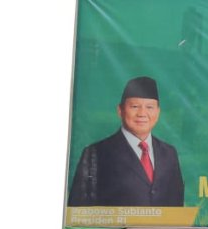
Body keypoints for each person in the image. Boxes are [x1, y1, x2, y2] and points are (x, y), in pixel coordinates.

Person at [67, 76, 184, 207]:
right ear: (120, 110)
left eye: (150, 107)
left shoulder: (169, 154)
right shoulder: (96, 153)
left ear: (158, 112)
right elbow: (78, 208)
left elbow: (177, 205)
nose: (142, 113)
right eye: (134, 106)